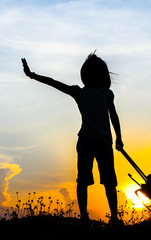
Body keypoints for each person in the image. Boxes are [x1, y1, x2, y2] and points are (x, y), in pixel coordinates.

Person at [21, 53, 124, 225]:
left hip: (103, 142)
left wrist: (119, 137)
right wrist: (32, 75)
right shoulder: (81, 92)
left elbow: (114, 116)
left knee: (107, 181)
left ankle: (113, 217)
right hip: (88, 142)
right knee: (86, 179)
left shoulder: (106, 94)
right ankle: (85, 216)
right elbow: (54, 82)